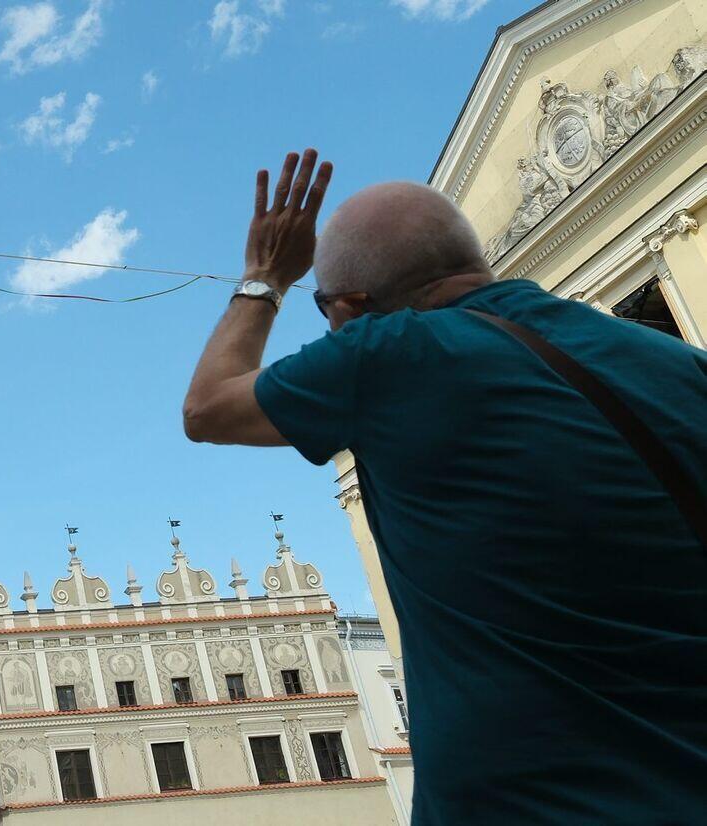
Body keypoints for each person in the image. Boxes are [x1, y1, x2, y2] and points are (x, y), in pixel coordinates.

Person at [183, 150, 707, 823]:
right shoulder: (676, 364)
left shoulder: (393, 353)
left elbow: (207, 408)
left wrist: (265, 278)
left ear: (353, 310)